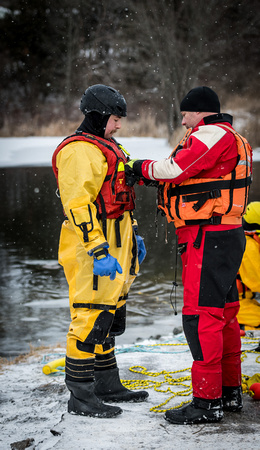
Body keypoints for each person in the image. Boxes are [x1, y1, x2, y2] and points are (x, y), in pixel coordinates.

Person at [125, 86, 253, 424]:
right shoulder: (233, 137)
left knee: (200, 318)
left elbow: (176, 168)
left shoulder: (211, 133)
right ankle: (228, 392)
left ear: (201, 112)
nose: (183, 121)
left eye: (186, 114)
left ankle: (206, 403)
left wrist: (139, 167)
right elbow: (197, 175)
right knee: (223, 313)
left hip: (208, 237)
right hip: (225, 235)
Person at [52, 84, 148, 419]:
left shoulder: (108, 146)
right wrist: (98, 249)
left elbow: (119, 194)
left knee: (108, 316)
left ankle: (107, 384)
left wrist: (133, 236)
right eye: (115, 118)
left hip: (118, 241)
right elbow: (78, 205)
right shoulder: (80, 152)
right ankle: (81, 398)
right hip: (93, 248)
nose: (119, 125)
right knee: (89, 318)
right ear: (98, 115)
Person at [236, 201, 260, 348]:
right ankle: (239, 328)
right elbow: (256, 282)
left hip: (244, 300)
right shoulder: (248, 246)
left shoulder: (245, 240)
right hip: (236, 304)